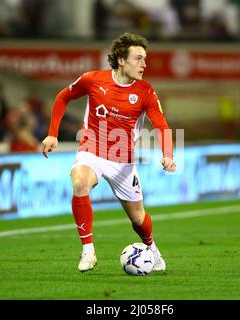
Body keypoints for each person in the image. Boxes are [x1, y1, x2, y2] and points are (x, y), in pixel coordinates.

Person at [41, 32, 176, 273]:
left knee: (138, 219)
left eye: (145, 59)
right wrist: (53, 133)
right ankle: (88, 251)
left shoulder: (145, 91)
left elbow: (161, 126)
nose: (144, 64)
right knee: (80, 182)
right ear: (121, 60)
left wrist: (168, 154)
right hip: (91, 150)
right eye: (138, 59)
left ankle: (151, 248)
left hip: (123, 162)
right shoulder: (93, 80)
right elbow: (63, 97)